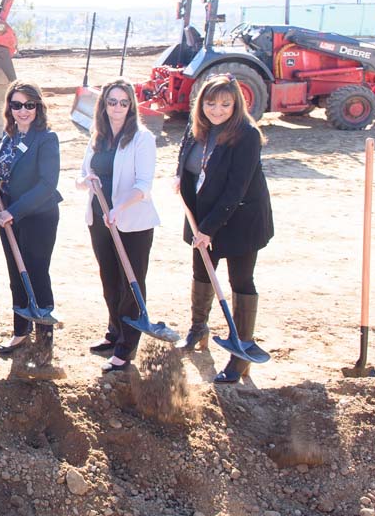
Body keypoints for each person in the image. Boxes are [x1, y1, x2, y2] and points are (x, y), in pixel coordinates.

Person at [175, 72, 274, 383]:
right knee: (201, 272)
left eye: (225, 104)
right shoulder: (197, 130)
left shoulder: (247, 135)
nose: (216, 109)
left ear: (236, 104)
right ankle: (198, 329)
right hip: (201, 216)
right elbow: (187, 165)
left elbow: (236, 189)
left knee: (240, 280)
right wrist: (179, 179)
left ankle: (240, 351)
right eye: (210, 102)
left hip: (240, 219)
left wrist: (210, 229)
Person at [77, 77, 160, 373]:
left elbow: (143, 186)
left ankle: (127, 347)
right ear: (104, 105)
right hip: (99, 220)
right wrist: (87, 181)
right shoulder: (97, 135)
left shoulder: (142, 138)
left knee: (131, 282)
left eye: (123, 103)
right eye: (112, 102)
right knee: (109, 280)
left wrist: (119, 207)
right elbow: (81, 175)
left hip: (131, 222)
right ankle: (114, 333)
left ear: (131, 105)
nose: (117, 108)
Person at [0, 80, 62, 364]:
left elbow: (46, 184)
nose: (22, 111)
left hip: (38, 218)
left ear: (38, 107)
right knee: (16, 275)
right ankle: (20, 331)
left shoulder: (46, 139)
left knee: (36, 274)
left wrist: (13, 211)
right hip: (9, 216)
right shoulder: (10, 135)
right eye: (16, 105)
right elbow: (3, 163)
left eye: (29, 105)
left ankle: (44, 340)